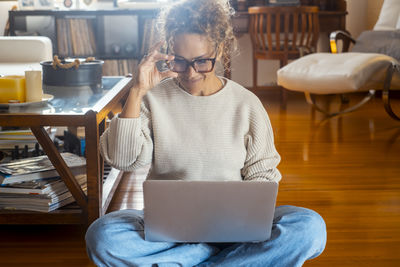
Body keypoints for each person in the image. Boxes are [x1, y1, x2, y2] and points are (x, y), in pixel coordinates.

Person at [85, 0, 327, 266]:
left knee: (310, 227)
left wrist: (245, 218)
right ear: (168, 51)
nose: (190, 73)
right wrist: (136, 90)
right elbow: (123, 160)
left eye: (201, 62)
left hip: (236, 230)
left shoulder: (246, 104)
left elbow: (263, 174)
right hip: (170, 230)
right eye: (179, 61)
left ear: (220, 49)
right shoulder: (151, 99)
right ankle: (224, 260)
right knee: (103, 236)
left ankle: (191, 260)